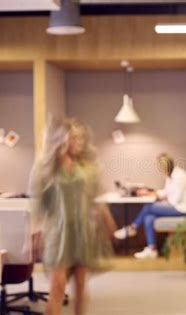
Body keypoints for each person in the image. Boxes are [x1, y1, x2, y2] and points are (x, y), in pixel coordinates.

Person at [30, 118, 114, 315]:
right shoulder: (46, 167)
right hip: (58, 234)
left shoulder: (87, 166)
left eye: (80, 138)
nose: (79, 142)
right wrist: (33, 233)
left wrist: (108, 220)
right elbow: (38, 203)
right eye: (74, 138)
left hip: (82, 232)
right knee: (57, 287)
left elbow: (95, 198)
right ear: (61, 140)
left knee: (80, 288)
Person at [114, 153, 186, 259]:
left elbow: (175, 200)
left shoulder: (179, 176)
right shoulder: (170, 176)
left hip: (182, 209)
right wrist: (149, 192)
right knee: (148, 217)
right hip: (174, 206)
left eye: (161, 168)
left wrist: (161, 199)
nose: (161, 170)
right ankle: (152, 249)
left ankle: (132, 227)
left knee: (149, 207)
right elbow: (166, 192)